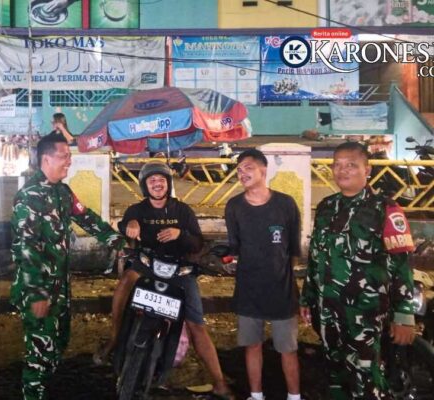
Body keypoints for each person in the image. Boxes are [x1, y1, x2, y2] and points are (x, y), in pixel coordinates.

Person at [94, 161, 234, 400]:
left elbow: (197, 243)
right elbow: (125, 225)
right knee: (124, 284)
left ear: (168, 184)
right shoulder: (137, 210)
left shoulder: (183, 211)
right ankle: (114, 338)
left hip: (179, 270)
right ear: (144, 186)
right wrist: (130, 225)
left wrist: (181, 234)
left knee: (196, 325)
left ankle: (219, 382)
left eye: (161, 180)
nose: (157, 184)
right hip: (147, 266)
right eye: (152, 181)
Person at [10, 133, 125, 400]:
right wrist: (37, 293)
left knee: (59, 342)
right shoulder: (28, 197)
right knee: (40, 352)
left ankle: (44, 387)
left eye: (70, 156)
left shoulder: (62, 192)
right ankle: (32, 394)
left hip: (60, 285)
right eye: (64, 156)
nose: (69, 162)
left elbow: (86, 218)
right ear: (46, 159)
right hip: (38, 287)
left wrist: (117, 241)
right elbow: (25, 249)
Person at [300, 142, 415, 399]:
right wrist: (308, 297)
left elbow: (401, 263)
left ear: (367, 170)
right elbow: (316, 256)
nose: (342, 170)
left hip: (366, 313)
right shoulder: (326, 207)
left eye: (351, 165)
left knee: (367, 377)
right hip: (328, 310)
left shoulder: (386, 209)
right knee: (334, 374)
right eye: (337, 165)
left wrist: (404, 315)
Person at [224, 149, 302, 400]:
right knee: (252, 345)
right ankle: (256, 395)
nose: (242, 174)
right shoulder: (234, 206)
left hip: (281, 290)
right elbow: (234, 247)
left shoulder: (286, 204)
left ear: (263, 170)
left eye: (248, 168)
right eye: (238, 170)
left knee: (288, 348)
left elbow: (293, 250)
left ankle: (294, 396)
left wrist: (283, 277)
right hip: (248, 289)